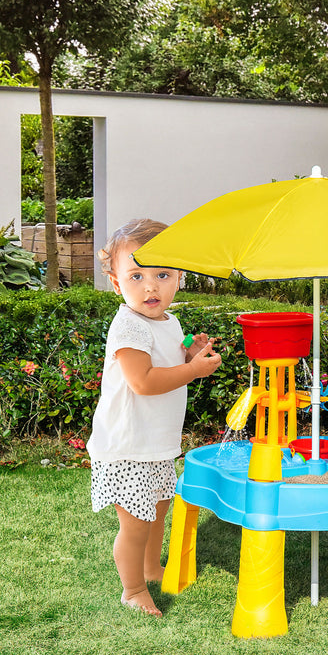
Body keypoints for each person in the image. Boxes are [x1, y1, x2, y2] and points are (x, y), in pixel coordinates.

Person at [86, 218, 222, 617]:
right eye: (136, 275)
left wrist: (188, 353)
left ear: (178, 276)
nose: (151, 286)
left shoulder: (168, 320)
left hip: (155, 444)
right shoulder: (127, 325)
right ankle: (132, 590)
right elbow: (143, 381)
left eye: (162, 274)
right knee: (136, 524)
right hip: (126, 446)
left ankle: (149, 567)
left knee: (158, 509)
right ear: (116, 283)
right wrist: (195, 371)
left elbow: (168, 357)